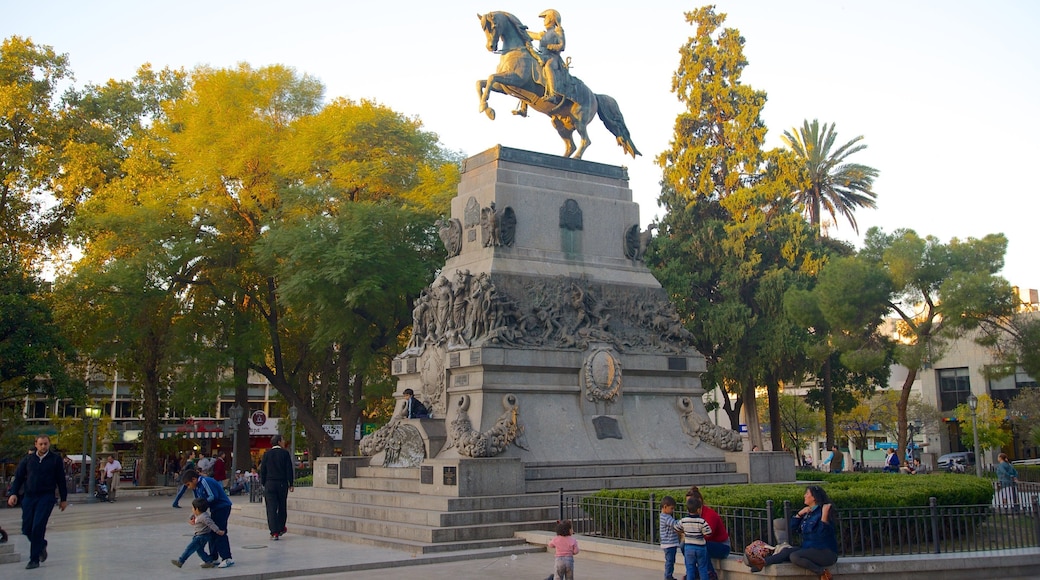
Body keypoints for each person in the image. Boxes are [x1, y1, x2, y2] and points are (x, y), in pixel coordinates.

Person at [746, 485, 838, 580]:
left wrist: (824, 516)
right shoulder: (808, 513)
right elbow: (792, 528)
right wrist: (799, 514)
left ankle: (823, 573)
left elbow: (822, 534)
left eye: (807, 494)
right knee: (786, 551)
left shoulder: (824, 511)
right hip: (808, 549)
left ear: (814, 497)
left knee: (794, 556)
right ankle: (761, 563)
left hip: (826, 553)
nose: (804, 496)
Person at [7, 435, 69, 570]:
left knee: (38, 527)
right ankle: (41, 544)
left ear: (49, 444)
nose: (43, 446)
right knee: (26, 528)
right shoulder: (28, 459)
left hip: (46, 497)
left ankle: (34, 559)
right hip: (29, 497)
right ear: (36, 444)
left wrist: (63, 499)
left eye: (45, 444)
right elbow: (18, 477)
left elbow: (61, 479)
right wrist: (13, 493)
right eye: (41, 444)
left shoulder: (55, 459)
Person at [181, 468, 234, 568]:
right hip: (214, 509)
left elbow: (213, 496)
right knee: (212, 533)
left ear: (194, 479)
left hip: (222, 507)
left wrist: (201, 507)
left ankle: (227, 558)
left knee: (219, 532)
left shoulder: (205, 481)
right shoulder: (196, 488)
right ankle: (213, 557)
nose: (189, 487)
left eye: (188, 484)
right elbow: (197, 503)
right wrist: (195, 514)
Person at [685, 486, 728, 580]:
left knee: (702, 546)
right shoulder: (691, 515)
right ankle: (694, 572)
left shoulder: (710, 514)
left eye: (690, 502)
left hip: (721, 545)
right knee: (685, 546)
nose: (688, 505)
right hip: (702, 541)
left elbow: (708, 535)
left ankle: (710, 574)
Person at [526, 9, 567, 102]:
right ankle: (524, 106)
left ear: (552, 19)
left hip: (553, 58)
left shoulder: (558, 31)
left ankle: (553, 94)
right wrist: (520, 30)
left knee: (548, 67)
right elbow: (532, 35)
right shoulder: (543, 34)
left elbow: (562, 46)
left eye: (546, 18)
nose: (544, 20)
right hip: (543, 56)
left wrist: (550, 46)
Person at [260, 434, 295, 540]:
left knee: (271, 508)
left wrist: (264, 483)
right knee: (282, 506)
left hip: (269, 483)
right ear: (279, 442)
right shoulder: (285, 453)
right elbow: (289, 469)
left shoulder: (266, 454)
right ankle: (280, 527)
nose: (284, 442)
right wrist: (291, 483)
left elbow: (263, 470)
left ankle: (273, 531)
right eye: (283, 440)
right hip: (281, 483)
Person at [171, 497, 223, 569]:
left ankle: (180, 561)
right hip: (199, 535)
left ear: (197, 509)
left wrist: (218, 531)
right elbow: (192, 515)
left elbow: (211, 524)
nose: (192, 509)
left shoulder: (204, 517)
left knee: (189, 548)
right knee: (199, 550)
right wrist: (191, 518)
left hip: (201, 537)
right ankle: (208, 561)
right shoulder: (199, 514)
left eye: (193, 508)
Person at [678, 495, 713, 580]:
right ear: (698, 510)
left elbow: (676, 528)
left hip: (689, 548)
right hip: (701, 548)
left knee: (690, 569)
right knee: (703, 568)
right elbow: (709, 533)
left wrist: (685, 532)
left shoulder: (684, 520)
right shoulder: (702, 521)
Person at [659, 496, 681, 580]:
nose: (673, 510)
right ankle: (668, 576)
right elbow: (675, 524)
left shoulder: (664, 516)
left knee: (671, 560)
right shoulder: (666, 517)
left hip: (669, 543)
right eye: (671, 508)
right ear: (665, 507)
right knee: (670, 561)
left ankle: (669, 575)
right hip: (669, 544)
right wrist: (683, 521)